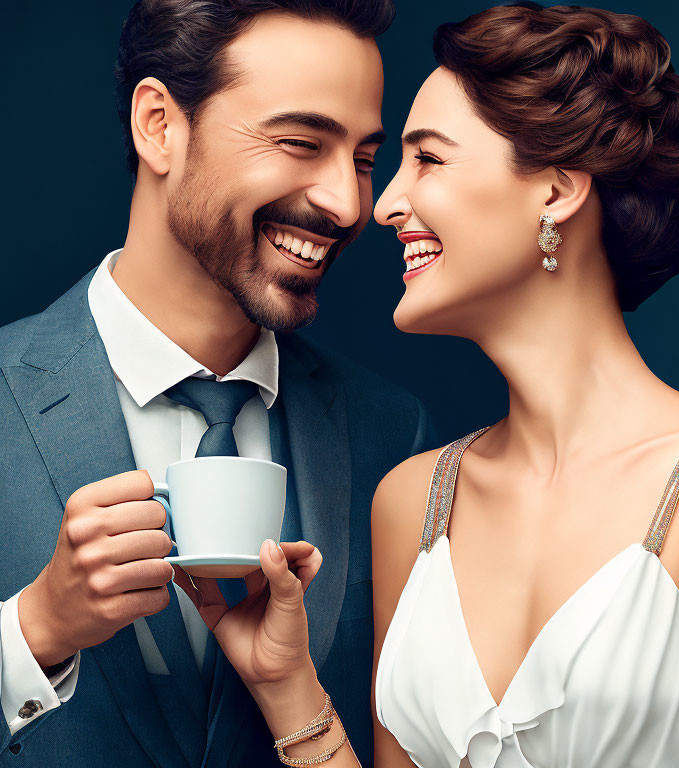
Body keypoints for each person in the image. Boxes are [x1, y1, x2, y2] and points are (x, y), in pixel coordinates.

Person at [185, 3, 679, 767]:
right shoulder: (414, 504)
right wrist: (286, 683)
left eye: (427, 159)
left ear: (556, 192)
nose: (383, 206)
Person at [0, 1, 436, 766]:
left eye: (364, 159)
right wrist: (35, 629)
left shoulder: (391, 435)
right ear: (160, 125)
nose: (346, 202)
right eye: (302, 142)